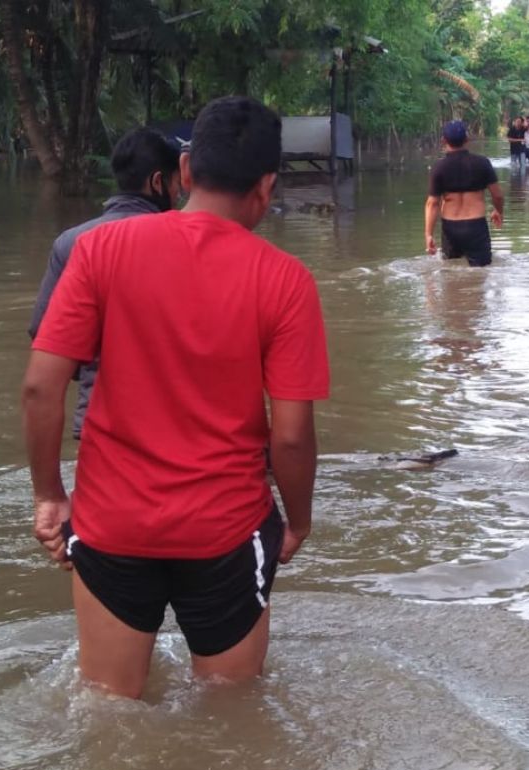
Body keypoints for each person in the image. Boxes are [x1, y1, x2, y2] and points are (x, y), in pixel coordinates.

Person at [22, 96, 329, 699]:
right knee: (231, 715)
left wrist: (49, 496)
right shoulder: (286, 280)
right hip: (227, 531)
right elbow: (290, 434)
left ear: (185, 173)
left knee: (109, 715)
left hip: (112, 523)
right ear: (267, 187)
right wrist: (298, 521)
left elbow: (40, 386)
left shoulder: (98, 251)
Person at [27, 127, 182, 439]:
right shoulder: (184, 240)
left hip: (97, 425)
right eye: (176, 184)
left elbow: (42, 333)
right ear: (157, 182)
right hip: (175, 425)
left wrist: (92, 371)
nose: (179, 195)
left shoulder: (71, 242)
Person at [424, 120, 504, 267]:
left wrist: (428, 234)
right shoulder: (482, 163)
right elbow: (497, 195)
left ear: (443, 140)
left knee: (450, 274)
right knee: (481, 274)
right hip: (476, 226)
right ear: (467, 140)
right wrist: (498, 211)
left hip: (450, 228)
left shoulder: (439, 167)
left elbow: (432, 203)